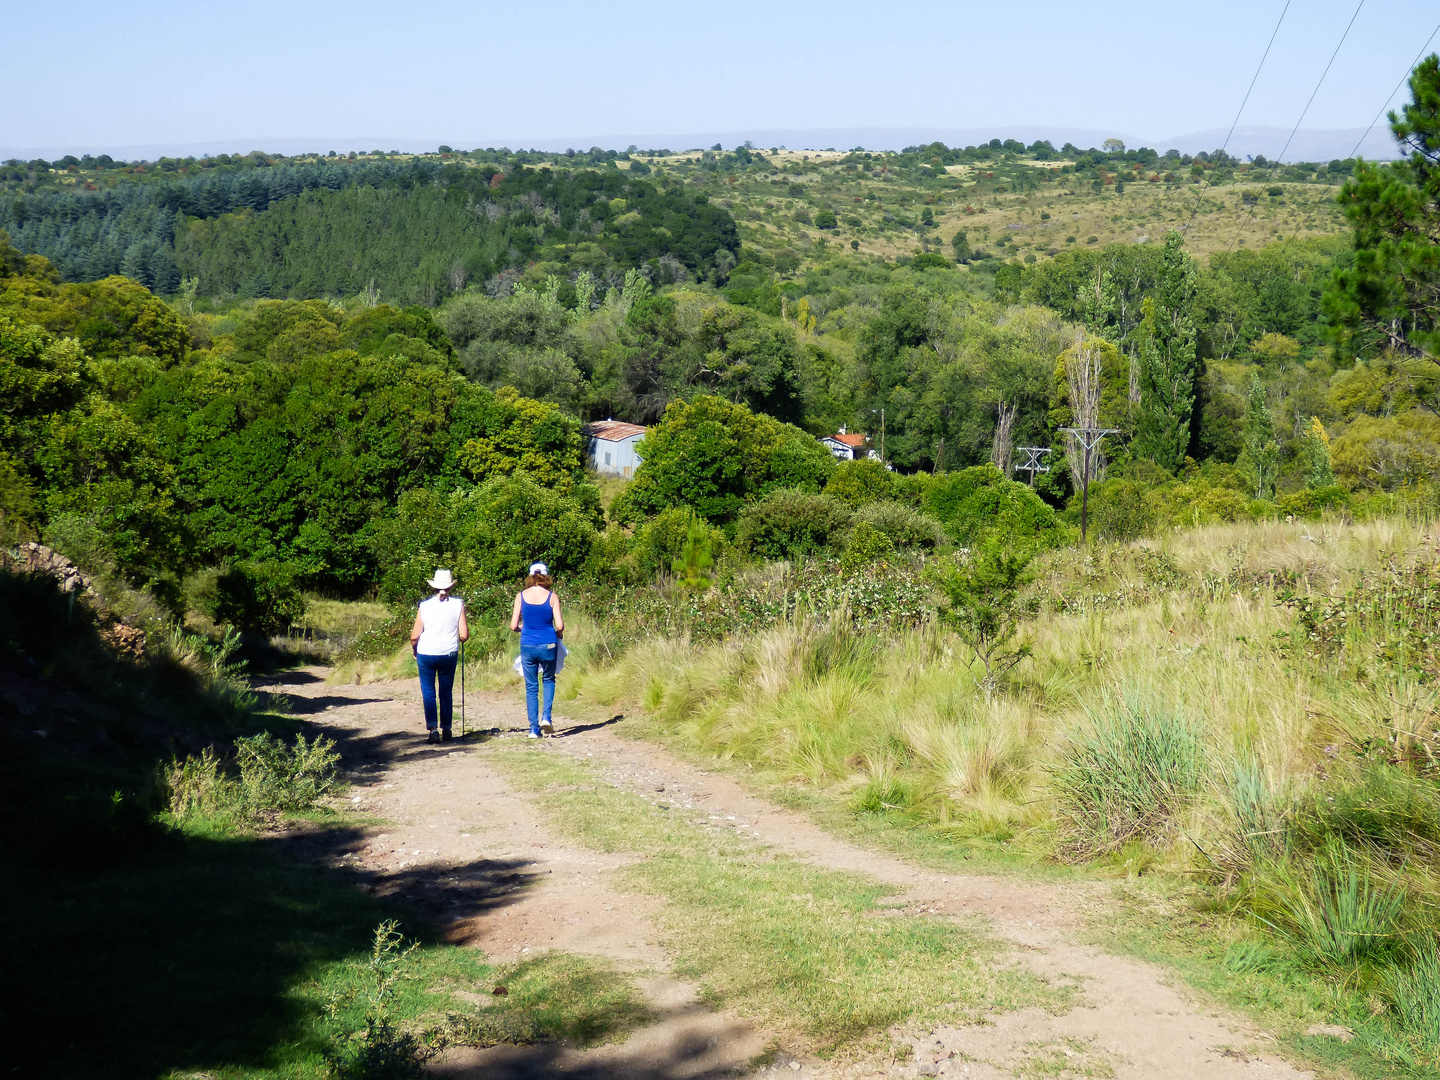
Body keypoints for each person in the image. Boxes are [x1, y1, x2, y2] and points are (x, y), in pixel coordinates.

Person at [410, 568, 469, 744]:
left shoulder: (424, 606)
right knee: (445, 691)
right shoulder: (458, 604)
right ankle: (447, 729)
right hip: (448, 653)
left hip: (426, 652)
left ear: (434, 587)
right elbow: (464, 634)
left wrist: (414, 648)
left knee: (428, 691)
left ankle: (433, 729)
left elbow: (414, 635)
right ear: (450, 586)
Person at [511, 561, 564, 738]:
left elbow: (513, 626)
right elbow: (560, 625)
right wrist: (558, 633)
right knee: (548, 679)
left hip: (527, 644)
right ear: (546, 576)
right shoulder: (552, 596)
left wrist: (524, 628)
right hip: (548, 643)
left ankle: (533, 728)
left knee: (531, 686)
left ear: (530, 576)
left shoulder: (521, 596)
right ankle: (546, 717)